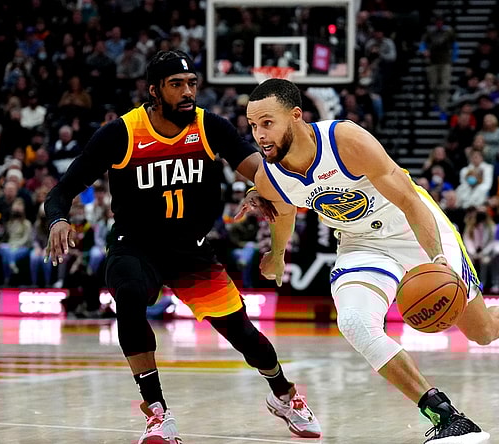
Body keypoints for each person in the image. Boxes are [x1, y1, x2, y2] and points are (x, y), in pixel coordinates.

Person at [243, 79, 499, 443]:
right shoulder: (269, 176)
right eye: (252, 126)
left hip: (411, 227)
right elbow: (283, 213)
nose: (259, 135)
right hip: (360, 244)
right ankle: (446, 416)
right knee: (355, 322)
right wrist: (277, 256)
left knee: (481, 332)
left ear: (295, 116)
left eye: (267, 123)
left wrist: (437, 259)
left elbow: (409, 200)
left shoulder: (346, 141)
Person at [44, 51, 320, 444]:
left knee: (242, 333)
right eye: (177, 85)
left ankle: (285, 396)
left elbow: (260, 169)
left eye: (192, 84)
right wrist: (58, 219)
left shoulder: (210, 127)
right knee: (129, 293)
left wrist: (259, 189)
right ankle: (157, 412)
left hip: (191, 250)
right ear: (154, 90)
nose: (188, 92)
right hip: (135, 245)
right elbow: (62, 189)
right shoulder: (122, 132)